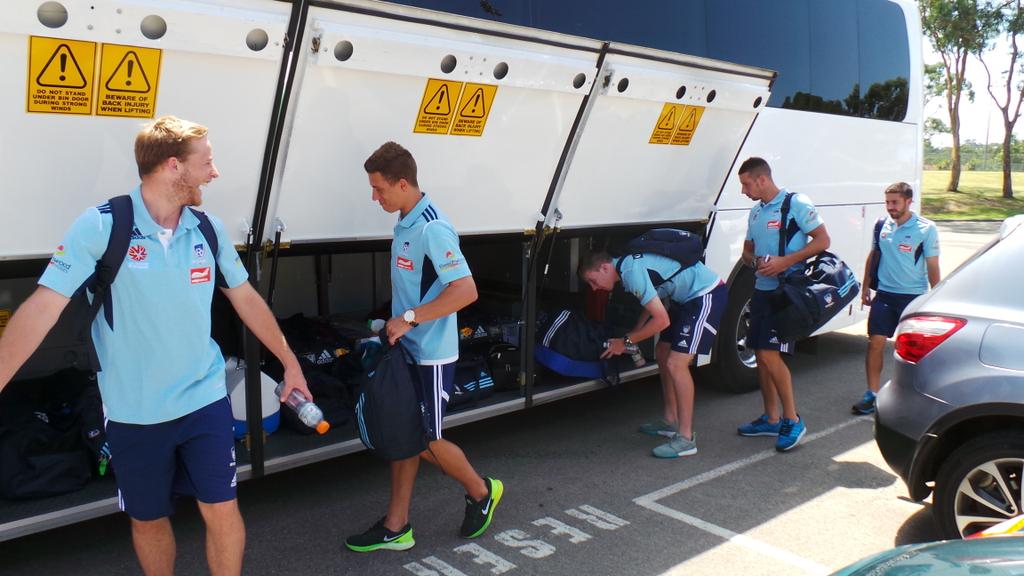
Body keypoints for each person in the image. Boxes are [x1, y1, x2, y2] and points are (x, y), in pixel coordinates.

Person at [0, 116, 310, 575]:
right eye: (206, 162)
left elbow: (246, 298)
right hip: (134, 411)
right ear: (172, 166)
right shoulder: (102, 226)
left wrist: (290, 362)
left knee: (222, 508)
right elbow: (42, 309)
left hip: (204, 400)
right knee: (148, 519)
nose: (214, 173)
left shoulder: (208, 230)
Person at [345, 141, 503, 552]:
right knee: (405, 434)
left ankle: (482, 491)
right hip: (408, 350)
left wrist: (410, 319)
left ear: (402, 183)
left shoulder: (432, 228)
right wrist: (391, 322)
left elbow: (465, 290)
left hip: (431, 355)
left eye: (379, 189)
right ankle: (396, 525)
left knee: (423, 439)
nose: (374, 197)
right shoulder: (406, 222)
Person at [579, 251, 727, 458]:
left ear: (604, 268)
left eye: (593, 281)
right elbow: (652, 301)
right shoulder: (626, 267)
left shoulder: (630, 272)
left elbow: (661, 321)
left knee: (677, 363)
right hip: (684, 299)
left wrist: (626, 342)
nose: (594, 288)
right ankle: (670, 420)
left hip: (705, 294)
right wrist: (633, 335)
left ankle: (686, 439)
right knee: (662, 351)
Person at [736, 157, 830, 452]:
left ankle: (793, 419)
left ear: (762, 179)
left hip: (786, 293)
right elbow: (746, 251)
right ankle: (772, 417)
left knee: (769, 354)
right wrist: (755, 261)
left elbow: (822, 240)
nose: (743, 191)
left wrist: (784, 262)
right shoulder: (755, 212)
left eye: (746, 184)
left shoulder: (796, 203)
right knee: (761, 355)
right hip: (761, 293)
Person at [854, 182, 940, 414]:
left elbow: (933, 265)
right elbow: (874, 255)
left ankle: (918, 395)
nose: (890, 207)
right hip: (884, 296)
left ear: (908, 201)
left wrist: (936, 296)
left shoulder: (926, 228)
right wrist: (866, 287)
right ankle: (872, 394)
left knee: (914, 352)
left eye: (895, 202)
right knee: (875, 343)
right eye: (887, 202)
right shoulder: (881, 225)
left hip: (913, 298)